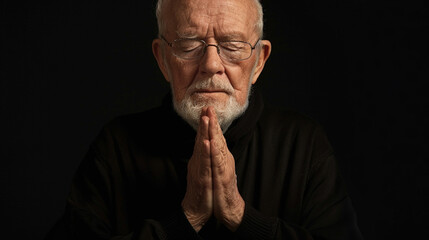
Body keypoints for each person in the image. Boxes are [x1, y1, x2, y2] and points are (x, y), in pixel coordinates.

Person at [45, 0, 363, 239]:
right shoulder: (116, 146)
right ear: (163, 59)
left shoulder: (302, 144)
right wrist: (187, 218)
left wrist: (242, 217)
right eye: (189, 45)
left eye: (232, 46)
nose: (211, 64)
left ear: (259, 61)